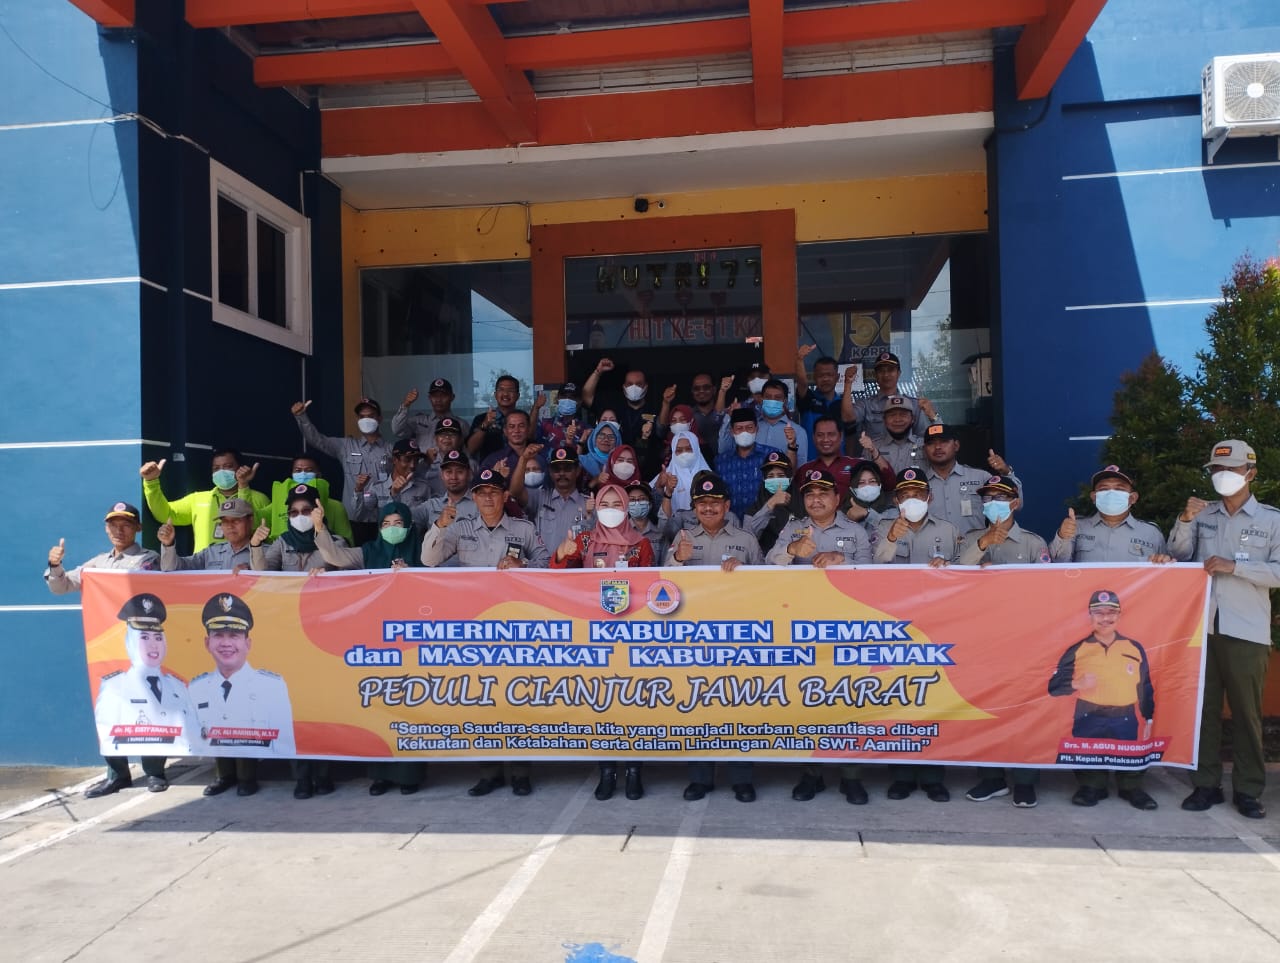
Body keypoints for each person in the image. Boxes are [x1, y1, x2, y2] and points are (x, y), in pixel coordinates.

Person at [1165, 439, 1280, 820]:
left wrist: (1236, 567)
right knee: (1203, 710)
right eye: (1217, 469)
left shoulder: (1272, 520)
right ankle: (1205, 784)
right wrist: (1184, 520)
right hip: (1201, 627)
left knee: (1247, 713)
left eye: (1231, 470)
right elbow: (1177, 557)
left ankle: (1248, 790)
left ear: (1251, 473)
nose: (1222, 475)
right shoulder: (1202, 515)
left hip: (1247, 629)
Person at [422, 468, 548, 796]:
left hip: (515, 627)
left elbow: (547, 563)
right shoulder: (459, 528)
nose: (487, 498)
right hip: (475, 628)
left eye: (493, 491)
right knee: (482, 699)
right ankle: (489, 773)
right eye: (481, 492)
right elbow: (429, 560)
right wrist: (439, 526)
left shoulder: (523, 528)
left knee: (517, 699)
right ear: (474, 497)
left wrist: (523, 566)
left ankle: (520, 772)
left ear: (505, 495)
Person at [311, 500, 429, 795]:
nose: (392, 529)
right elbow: (336, 556)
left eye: (398, 523)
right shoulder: (369, 551)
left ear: (409, 526)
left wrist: (413, 574)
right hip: (376, 639)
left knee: (409, 705)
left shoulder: (422, 552)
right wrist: (319, 527)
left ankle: (409, 776)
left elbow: (437, 585)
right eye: (386, 524)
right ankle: (381, 775)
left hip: (411, 640)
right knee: (379, 705)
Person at [666, 472, 761, 802]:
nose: (708, 508)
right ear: (694, 507)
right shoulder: (682, 538)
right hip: (693, 636)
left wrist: (746, 571)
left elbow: (769, 584)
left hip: (737, 636)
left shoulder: (746, 540)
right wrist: (678, 559)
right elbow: (663, 585)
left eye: (715, 502)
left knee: (738, 704)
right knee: (698, 705)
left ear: (727, 505)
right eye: (702, 503)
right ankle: (700, 778)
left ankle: (741, 778)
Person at [872, 468, 963, 803]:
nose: (912, 500)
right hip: (894, 628)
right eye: (905, 495)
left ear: (929, 497)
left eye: (918, 494)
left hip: (936, 628)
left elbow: (964, 575)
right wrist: (890, 538)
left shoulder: (949, 530)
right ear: (896, 500)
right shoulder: (881, 527)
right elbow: (870, 570)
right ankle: (902, 776)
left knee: (933, 700)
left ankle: (933, 776)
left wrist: (949, 570)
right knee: (898, 699)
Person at [960, 474, 1049, 808]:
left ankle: (1025, 780)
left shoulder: (1033, 543)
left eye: (999, 497)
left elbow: (1049, 591)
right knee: (985, 707)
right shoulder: (970, 538)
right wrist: (982, 544)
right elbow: (951, 574)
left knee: (1024, 709)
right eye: (987, 498)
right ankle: (991, 777)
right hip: (980, 640)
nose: (992, 503)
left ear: (1015, 502)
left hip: (1023, 640)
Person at [1048, 590, 1157, 810]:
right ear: (1089, 615)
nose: (1105, 618)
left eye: (1111, 612)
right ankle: (1092, 786)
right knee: (1089, 752)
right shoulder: (1078, 648)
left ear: (1120, 615)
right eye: (1098, 612)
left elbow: (1144, 685)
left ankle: (1131, 787)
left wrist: (1148, 717)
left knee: (1128, 752)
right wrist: (1076, 684)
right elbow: (1054, 687)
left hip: (1124, 714)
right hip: (1089, 712)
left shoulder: (1134, 648)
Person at [88, 591, 196, 796]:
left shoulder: (177, 686)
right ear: (129, 642)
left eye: (158, 637)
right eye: (143, 637)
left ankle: (155, 773)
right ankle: (118, 775)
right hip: (120, 741)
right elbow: (108, 730)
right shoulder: (114, 685)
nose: (153, 644)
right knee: (110, 728)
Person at [190, 592, 296, 798]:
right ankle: (224, 776)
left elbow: (285, 740)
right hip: (216, 750)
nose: (226, 643)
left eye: (234, 636)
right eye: (218, 635)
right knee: (216, 728)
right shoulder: (196, 688)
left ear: (248, 643)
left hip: (259, 757)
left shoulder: (271, 686)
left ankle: (247, 778)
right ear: (207, 642)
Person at [292, 396, 392, 544]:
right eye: (362, 417)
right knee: (353, 556)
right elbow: (317, 440)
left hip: (384, 518)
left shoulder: (391, 450)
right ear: (357, 419)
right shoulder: (346, 446)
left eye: (371, 416)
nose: (366, 420)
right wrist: (302, 417)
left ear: (380, 418)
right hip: (353, 518)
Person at [140, 450, 270, 551]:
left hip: (242, 568)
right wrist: (151, 482)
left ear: (240, 468)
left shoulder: (260, 499)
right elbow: (165, 514)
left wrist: (243, 486)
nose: (221, 472)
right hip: (205, 568)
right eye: (216, 468)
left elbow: (257, 529)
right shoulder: (198, 499)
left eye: (228, 466)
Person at [1050, 465, 1169, 564]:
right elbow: (1056, 565)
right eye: (1103, 489)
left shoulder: (1151, 533)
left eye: (1119, 489)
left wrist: (1162, 561)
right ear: (1094, 497)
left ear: (1133, 498)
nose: (1111, 493)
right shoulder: (1076, 527)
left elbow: (1164, 573)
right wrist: (1062, 536)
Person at [920, 423, 1020, 535]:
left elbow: (1017, 503)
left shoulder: (980, 477)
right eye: (931, 443)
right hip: (935, 546)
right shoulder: (919, 485)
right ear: (924, 449)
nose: (937, 447)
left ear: (956, 445)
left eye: (943, 441)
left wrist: (1006, 472)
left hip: (976, 545)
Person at [767, 468, 872, 567]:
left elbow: (869, 570)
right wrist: (791, 549)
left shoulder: (856, 531)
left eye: (823, 494)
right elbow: (769, 562)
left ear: (837, 499)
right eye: (810, 495)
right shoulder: (793, 528)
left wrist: (841, 560)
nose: (816, 499)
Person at [512, 445, 591, 555]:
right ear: (550, 472)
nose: (562, 473)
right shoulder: (539, 497)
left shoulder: (589, 504)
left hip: (577, 565)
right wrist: (523, 459)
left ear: (577, 471)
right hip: (543, 565)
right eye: (556, 469)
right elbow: (515, 491)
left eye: (567, 468)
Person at [841, 350, 937, 441]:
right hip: (874, 452)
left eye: (890, 370)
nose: (886, 374)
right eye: (881, 371)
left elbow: (924, 437)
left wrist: (934, 416)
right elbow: (847, 418)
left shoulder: (914, 404)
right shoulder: (866, 404)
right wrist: (848, 383)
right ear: (875, 375)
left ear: (898, 373)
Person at [251, 484, 347, 573]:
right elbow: (263, 574)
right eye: (294, 512)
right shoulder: (283, 542)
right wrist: (255, 545)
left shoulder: (336, 543)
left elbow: (348, 577)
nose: (300, 516)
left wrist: (328, 575)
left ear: (318, 510)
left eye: (306, 510)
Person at [715, 408, 785, 521]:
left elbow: (784, 488)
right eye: (739, 428)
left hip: (768, 523)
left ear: (757, 429)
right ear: (732, 432)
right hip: (732, 525)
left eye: (749, 428)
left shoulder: (772, 455)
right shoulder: (721, 461)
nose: (745, 432)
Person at [717, 379, 808, 466]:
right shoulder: (750, 427)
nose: (772, 400)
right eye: (768, 397)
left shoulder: (798, 432)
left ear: (785, 401)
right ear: (762, 399)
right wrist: (729, 416)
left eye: (777, 397)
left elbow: (800, 468)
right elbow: (724, 450)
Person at [268, 455, 353, 544]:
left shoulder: (336, 507)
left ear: (318, 474)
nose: (303, 474)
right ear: (292, 474)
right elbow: (258, 517)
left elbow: (347, 542)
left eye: (308, 470)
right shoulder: (279, 503)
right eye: (298, 470)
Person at [158, 499, 254, 571]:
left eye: (236, 521)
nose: (230, 526)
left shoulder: (261, 553)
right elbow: (170, 568)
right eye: (225, 522)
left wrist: (252, 572)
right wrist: (168, 544)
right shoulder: (211, 553)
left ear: (250, 521)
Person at [582, 358, 661, 445]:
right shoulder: (614, 406)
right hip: (616, 452)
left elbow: (662, 431)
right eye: (630, 384)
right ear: (624, 387)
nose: (634, 387)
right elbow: (586, 396)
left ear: (646, 387)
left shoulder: (653, 409)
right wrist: (598, 372)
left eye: (638, 384)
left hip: (644, 452)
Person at [796, 415, 864, 501]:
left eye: (831, 434)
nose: (825, 439)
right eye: (820, 435)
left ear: (841, 436)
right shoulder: (804, 470)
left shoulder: (857, 465)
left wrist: (874, 451)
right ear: (813, 438)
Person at [412, 449, 477, 534]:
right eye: (449, 472)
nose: (453, 477)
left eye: (459, 472)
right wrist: (396, 493)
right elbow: (404, 523)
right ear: (442, 475)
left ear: (469, 474)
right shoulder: (431, 505)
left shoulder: (480, 504)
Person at [744, 451, 797, 554]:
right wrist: (770, 505)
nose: (776, 480)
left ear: (790, 478)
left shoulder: (803, 506)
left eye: (781, 476)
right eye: (771, 476)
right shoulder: (753, 510)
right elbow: (747, 541)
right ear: (764, 480)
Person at [794, 346, 843, 449]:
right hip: (811, 458)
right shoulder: (808, 399)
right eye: (821, 375)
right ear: (814, 377)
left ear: (837, 377)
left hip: (839, 458)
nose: (825, 379)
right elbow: (802, 383)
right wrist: (799, 359)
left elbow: (851, 435)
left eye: (829, 375)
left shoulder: (843, 404)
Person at [863, 396, 925, 476]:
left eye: (903, 415)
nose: (897, 419)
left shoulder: (924, 445)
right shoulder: (872, 447)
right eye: (892, 415)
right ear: (884, 420)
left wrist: (934, 417)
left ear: (912, 419)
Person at [467, 374, 523, 461]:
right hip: (489, 467)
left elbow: (530, 439)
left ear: (518, 396)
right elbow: (470, 449)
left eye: (510, 390)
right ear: (495, 394)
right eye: (501, 390)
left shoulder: (523, 418)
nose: (505, 394)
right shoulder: (481, 418)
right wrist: (485, 425)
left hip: (519, 465)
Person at [392, 378, 457, 452]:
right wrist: (406, 405)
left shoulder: (461, 424)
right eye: (434, 396)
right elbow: (397, 430)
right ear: (429, 398)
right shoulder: (418, 421)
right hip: (422, 460)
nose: (438, 399)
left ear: (452, 397)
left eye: (443, 395)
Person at [387, 438, 432, 515]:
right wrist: (394, 494)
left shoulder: (424, 487)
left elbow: (428, 516)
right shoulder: (377, 488)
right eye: (407, 460)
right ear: (394, 460)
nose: (412, 465)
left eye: (416, 460)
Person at [536, 382, 586, 450]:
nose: (567, 399)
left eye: (572, 397)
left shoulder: (585, 430)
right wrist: (536, 408)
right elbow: (530, 437)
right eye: (564, 396)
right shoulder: (545, 424)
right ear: (558, 399)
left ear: (579, 401)